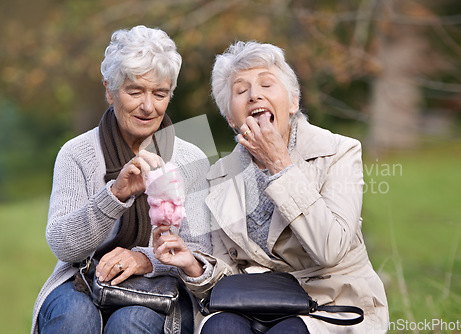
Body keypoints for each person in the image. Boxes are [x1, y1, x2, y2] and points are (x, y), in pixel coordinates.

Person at [153, 41, 389, 333]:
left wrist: (280, 167)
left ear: (292, 103)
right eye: (241, 91)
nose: (254, 95)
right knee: (219, 327)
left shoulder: (339, 152)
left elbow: (331, 250)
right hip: (253, 303)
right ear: (231, 118)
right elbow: (225, 278)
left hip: (330, 302)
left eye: (267, 84)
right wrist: (194, 266)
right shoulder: (215, 177)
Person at [31, 25, 212, 334]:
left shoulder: (190, 158)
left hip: (161, 286)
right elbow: (63, 246)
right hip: (82, 278)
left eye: (160, 93)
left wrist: (145, 260)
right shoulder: (76, 153)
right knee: (74, 320)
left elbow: (203, 251)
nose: (148, 106)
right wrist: (115, 195)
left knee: (130, 323)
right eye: (135, 91)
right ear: (109, 90)